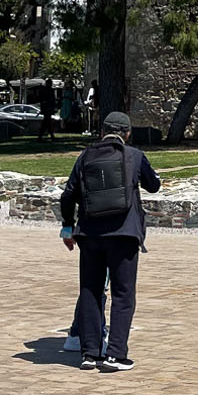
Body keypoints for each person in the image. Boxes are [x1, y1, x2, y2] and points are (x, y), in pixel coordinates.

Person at [60, 113, 161, 373]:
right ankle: (115, 354)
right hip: (124, 234)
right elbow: (153, 186)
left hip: (90, 234)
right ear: (127, 133)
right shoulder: (134, 155)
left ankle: (90, 353)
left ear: (102, 130)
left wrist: (67, 226)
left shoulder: (85, 156)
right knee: (122, 294)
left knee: (90, 291)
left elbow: (69, 194)